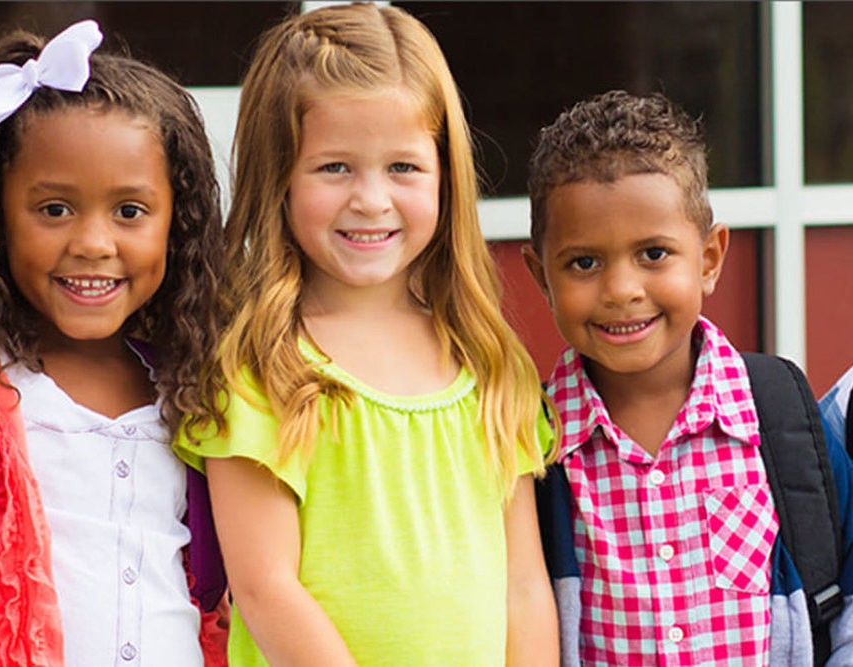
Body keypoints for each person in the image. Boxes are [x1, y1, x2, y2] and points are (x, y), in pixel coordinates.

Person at [174, 3, 558, 665]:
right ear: (280, 179)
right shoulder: (261, 364)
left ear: (446, 175)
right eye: (335, 168)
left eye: (403, 168)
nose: (372, 199)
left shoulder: (490, 362)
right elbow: (266, 588)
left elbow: (524, 586)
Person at [0, 20, 227, 667]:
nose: (92, 242)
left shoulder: (193, 392)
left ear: (179, 220)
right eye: (54, 208)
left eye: (130, 211)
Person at [523, 89, 853, 666]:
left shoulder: (780, 417)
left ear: (708, 258)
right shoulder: (529, 446)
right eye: (584, 262)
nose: (622, 289)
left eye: (653, 253)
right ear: (539, 274)